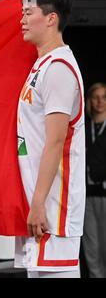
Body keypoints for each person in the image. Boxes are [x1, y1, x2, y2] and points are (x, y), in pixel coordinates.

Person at [16, 0, 85, 278]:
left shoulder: (58, 69)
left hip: (53, 206)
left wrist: (38, 203)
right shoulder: (41, 65)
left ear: (51, 18)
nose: (21, 20)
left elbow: (55, 142)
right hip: (41, 205)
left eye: (28, 12)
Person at [83, 82, 106, 278]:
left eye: (104, 97)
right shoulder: (83, 128)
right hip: (86, 196)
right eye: (95, 97)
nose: (100, 101)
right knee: (91, 248)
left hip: (105, 195)